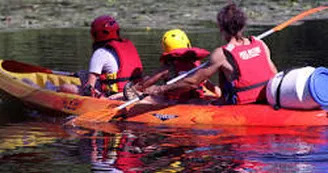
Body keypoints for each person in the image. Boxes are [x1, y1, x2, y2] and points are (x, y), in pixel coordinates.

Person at [144, 3, 277, 105]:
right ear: (242, 25)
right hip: (267, 99)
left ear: (221, 28)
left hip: (242, 106)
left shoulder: (222, 54)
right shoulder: (260, 44)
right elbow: (274, 75)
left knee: (196, 103)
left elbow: (192, 83)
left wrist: (160, 89)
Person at [128, 29, 220, 104]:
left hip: (176, 102)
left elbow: (148, 82)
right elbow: (208, 83)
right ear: (187, 43)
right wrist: (218, 93)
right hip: (196, 99)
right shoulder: (196, 64)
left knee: (148, 97)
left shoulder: (168, 66)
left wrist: (135, 89)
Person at [61, 15, 143, 98]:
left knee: (64, 87)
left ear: (96, 34)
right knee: (83, 74)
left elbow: (89, 89)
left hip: (112, 96)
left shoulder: (100, 53)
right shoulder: (128, 47)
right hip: (133, 93)